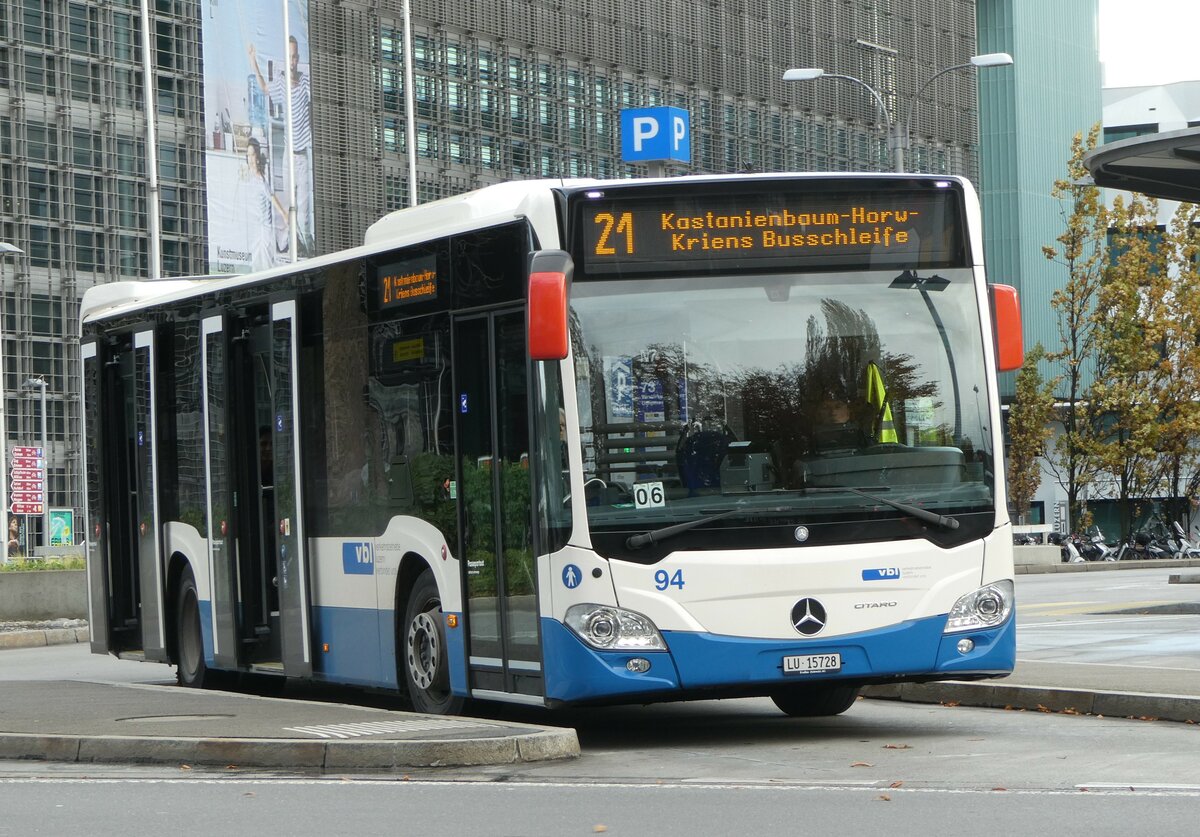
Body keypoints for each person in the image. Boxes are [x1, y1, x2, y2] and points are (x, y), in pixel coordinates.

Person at [247, 35, 313, 252]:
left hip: (301, 155)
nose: (292, 62)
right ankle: (287, 243)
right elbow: (265, 88)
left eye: (295, 57)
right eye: (289, 57)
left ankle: (306, 244)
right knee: (288, 204)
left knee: (303, 210)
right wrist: (254, 62)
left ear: (298, 58)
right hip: (288, 157)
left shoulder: (305, 82)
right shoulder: (282, 84)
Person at [244, 137, 288, 271]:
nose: (250, 159)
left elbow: (272, 197)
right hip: (253, 226)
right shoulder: (246, 176)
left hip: (263, 227)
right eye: (248, 155)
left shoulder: (261, 179)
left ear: (257, 156)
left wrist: (284, 214)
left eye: (252, 155)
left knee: (265, 261)